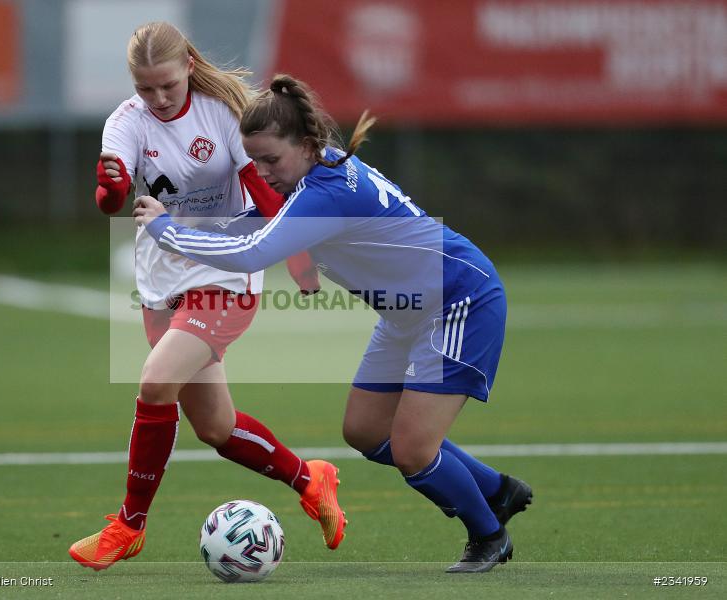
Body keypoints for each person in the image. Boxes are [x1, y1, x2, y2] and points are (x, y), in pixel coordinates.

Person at [134, 74, 533, 573]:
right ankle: (496, 490)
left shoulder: (323, 193)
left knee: (412, 449)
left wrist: (166, 230)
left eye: (270, 160)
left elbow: (255, 249)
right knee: (365, 430)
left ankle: (489, 535)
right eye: (253, 160)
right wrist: (183, 222)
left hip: (457, 298)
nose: (262, 171)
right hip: (408, 308)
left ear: (305, 144)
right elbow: (254, 220)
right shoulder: (314, 175)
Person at [69, 24, 346, 572]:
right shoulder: (124, 124)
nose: (159, 98)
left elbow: (265, 191)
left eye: (167, 85)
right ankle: (309, 479)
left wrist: (292, 250)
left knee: (153, 381)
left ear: (188, 68)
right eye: (146, 89)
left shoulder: (221, 113)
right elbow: (112, 201)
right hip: (161, 282)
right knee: (216, 429)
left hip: (225, 275)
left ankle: (128, 525)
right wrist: (111, 187)